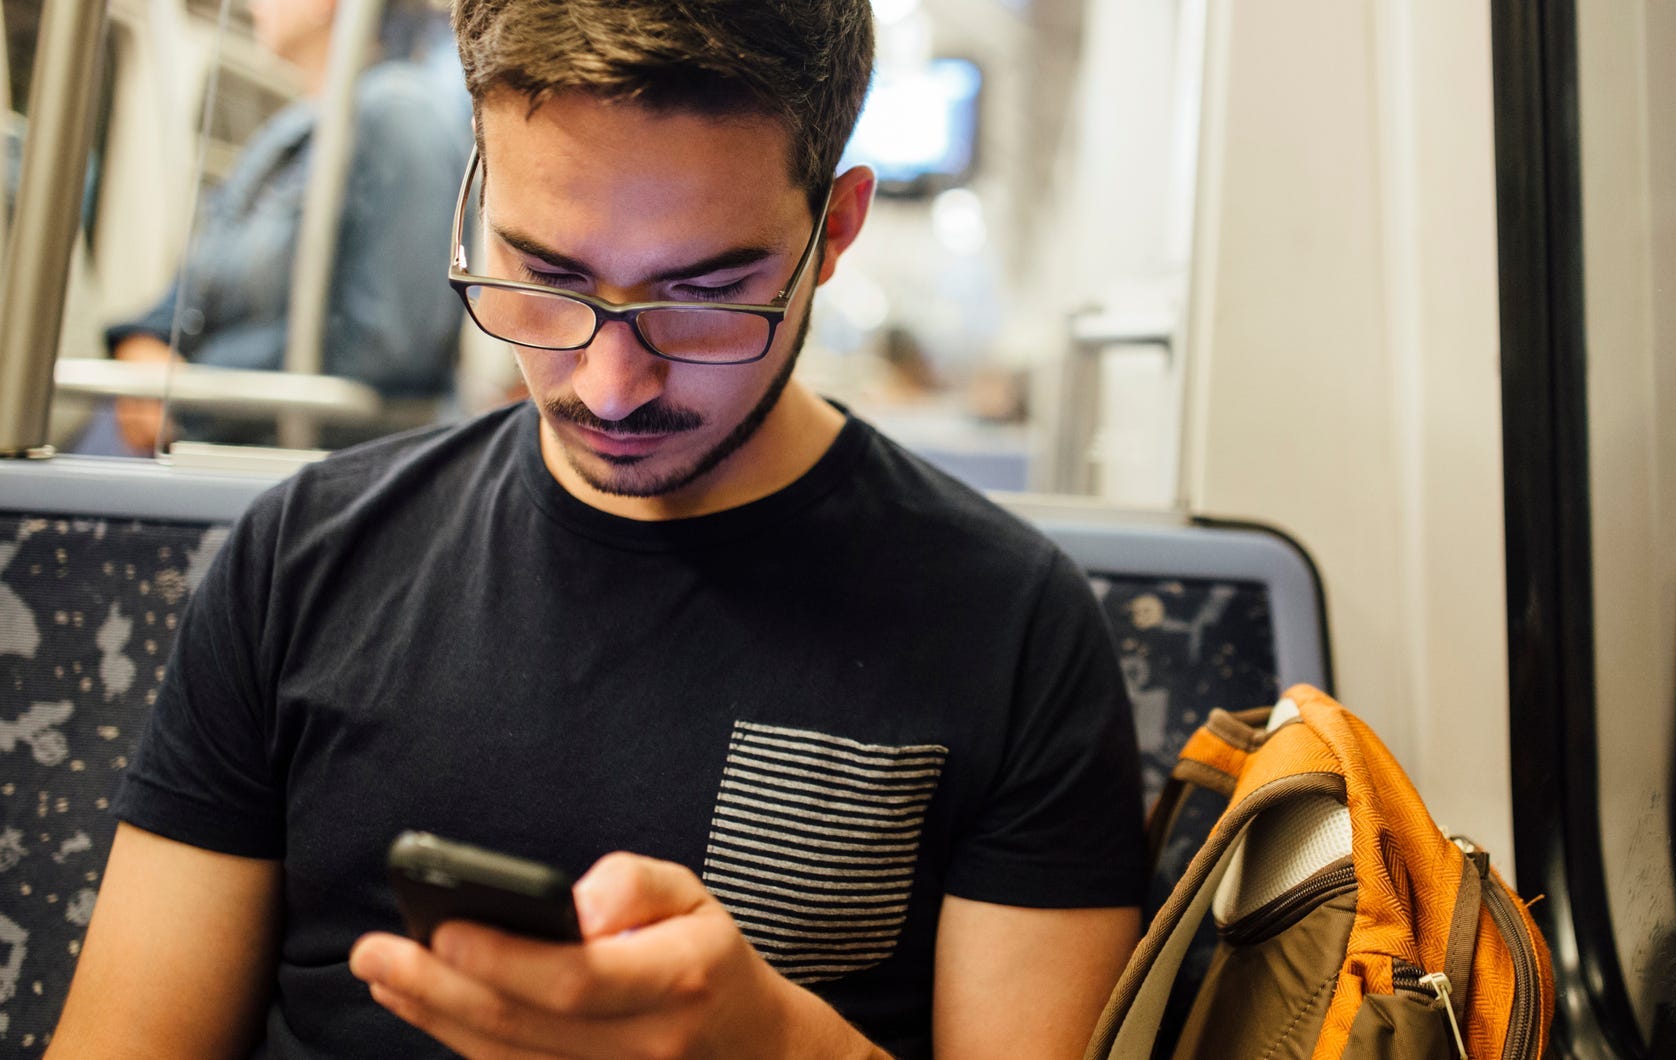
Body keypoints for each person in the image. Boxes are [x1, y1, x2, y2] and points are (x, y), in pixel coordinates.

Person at [48, 1, 1145, 1056]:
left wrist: (778, 1052)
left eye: (706, 293)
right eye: (546, 273)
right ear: (478, 194)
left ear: (835, 228)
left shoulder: (1012, 631)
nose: (612, 386)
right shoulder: (300, 560)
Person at [100, 0, 470, 453]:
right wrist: (145, 344)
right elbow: (195, 284)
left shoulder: (402, 114)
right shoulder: (289, 132)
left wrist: (188, 394)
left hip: (302, 461)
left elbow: (388, 355)